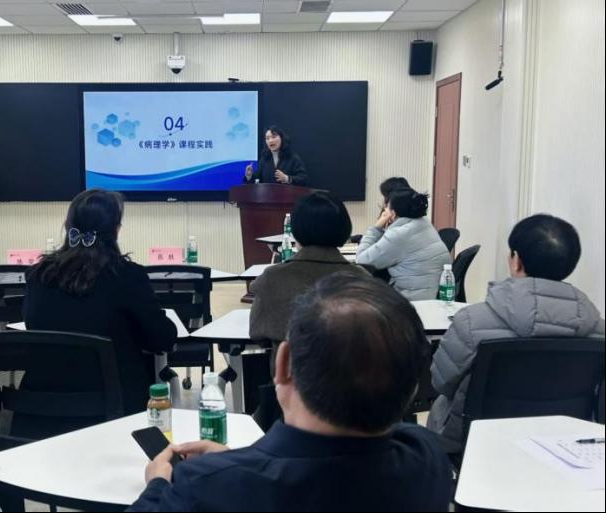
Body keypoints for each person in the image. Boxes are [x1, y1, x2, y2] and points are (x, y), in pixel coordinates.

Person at [129, 274, 452, 512]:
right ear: (414, 386)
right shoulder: (427, 458)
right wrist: (234, 460)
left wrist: (157, 485)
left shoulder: (201, 487)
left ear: (281, 364)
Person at [428, 214, 605, 448]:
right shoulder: (599, 332)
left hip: (475, 446)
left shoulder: (471, 322)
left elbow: (440, 383)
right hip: (563, 447)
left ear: (516, 261)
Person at [24, 189, 178, 414]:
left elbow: (33, 325)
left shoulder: (38, 276)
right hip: (114, 411)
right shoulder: (127, 276)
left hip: (42, 410)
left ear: (67, 227)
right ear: (115, 231)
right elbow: (163, 338)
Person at [250, 192, 369, 343]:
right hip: (349, 358)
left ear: (295, 229)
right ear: (345, 228)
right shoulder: (362, 279)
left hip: (290, 358)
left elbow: (256, 333)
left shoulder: (272, 278)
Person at [356, 187, 451, 300]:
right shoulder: (423, 223)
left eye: (387, 207)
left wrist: (376, 228)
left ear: (393, 213)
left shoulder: (398, 235)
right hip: (433, 295)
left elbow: (362, 261)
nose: (384, 209)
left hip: (413, 299)